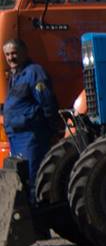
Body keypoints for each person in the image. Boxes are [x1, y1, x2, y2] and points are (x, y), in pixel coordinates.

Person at [2, 38, 58, 205]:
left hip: (31, 136)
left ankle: (37, 220)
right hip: (15, 135)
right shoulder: (15, 76)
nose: (11, 57)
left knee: (33, 178)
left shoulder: (34, 72)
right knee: (20, 179)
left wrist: (51, 128)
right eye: (7, 54)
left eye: (14, 53)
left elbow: (47, 101)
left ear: (24, 53)